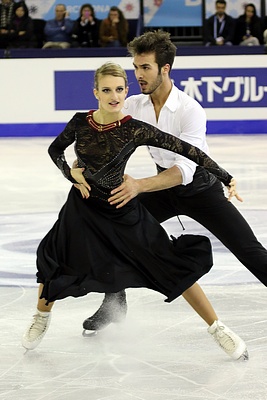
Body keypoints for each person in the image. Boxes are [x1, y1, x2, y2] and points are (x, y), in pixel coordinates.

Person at [22, 62, 238, 353]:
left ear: (126, 91)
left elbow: (190, 151)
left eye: (120, 89)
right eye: (107, 89)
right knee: (53, 257)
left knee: (169, 263)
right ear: (95, 92)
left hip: (120, 207)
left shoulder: (134, 129)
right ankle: (41, 317)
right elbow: (55, 149)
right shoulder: (79, 122)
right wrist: (70, 174)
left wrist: (227, 177)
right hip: (82, 207)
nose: (115, 95)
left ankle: (218, 329)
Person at [83, 29, 267, 359]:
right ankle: (114, 302)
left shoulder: (189, 110)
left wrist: (137, 185)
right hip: (163, 190)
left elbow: (185, 170)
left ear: (165, 69)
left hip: (199, 189)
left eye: (145, 68)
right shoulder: (135, 105)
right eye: (136, 67)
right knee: (112, 229)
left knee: (248, 249)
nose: (138, 75)